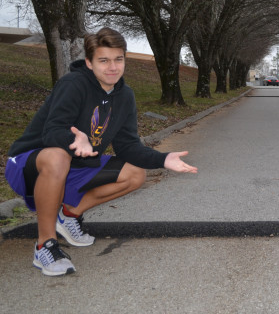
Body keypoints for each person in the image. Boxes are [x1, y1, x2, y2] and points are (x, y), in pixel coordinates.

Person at [5, 27, 198, 276]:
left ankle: (68, 214)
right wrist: (76, 139)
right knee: (58, 155)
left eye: (118, 59)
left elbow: (127, 147)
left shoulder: (125, 96)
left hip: (75, 166)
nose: (112, 67)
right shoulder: (74, 84)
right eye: (103, 60)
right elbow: (52, 133)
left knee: (135, 174)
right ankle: (45, 244)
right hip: (30, 164)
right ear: (89, 62)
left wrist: (163, 159)